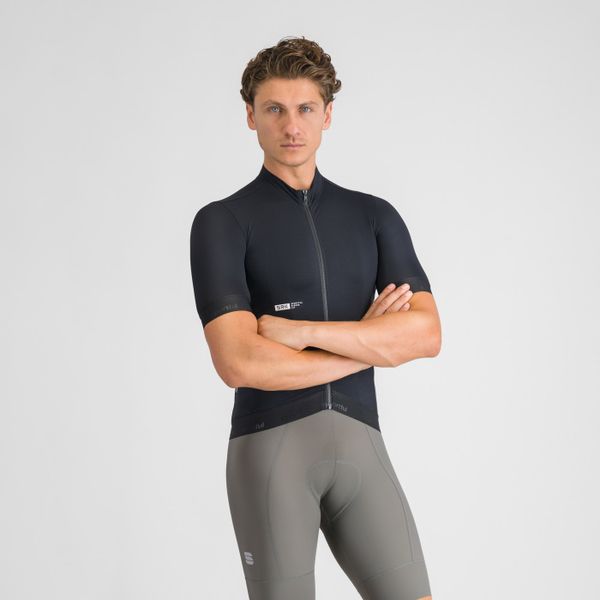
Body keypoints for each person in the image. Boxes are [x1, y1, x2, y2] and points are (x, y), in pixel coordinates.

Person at [190, 35, 441, 600]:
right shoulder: (222, 223)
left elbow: (425, 335)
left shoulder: (374, 217)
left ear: (327, 115)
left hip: (362, 449)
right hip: (270, 453)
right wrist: (370, 343)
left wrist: (300, 334)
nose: (291, 126)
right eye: (274, 109)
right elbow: (239, 361)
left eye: (305, 108)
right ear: (250, 116)